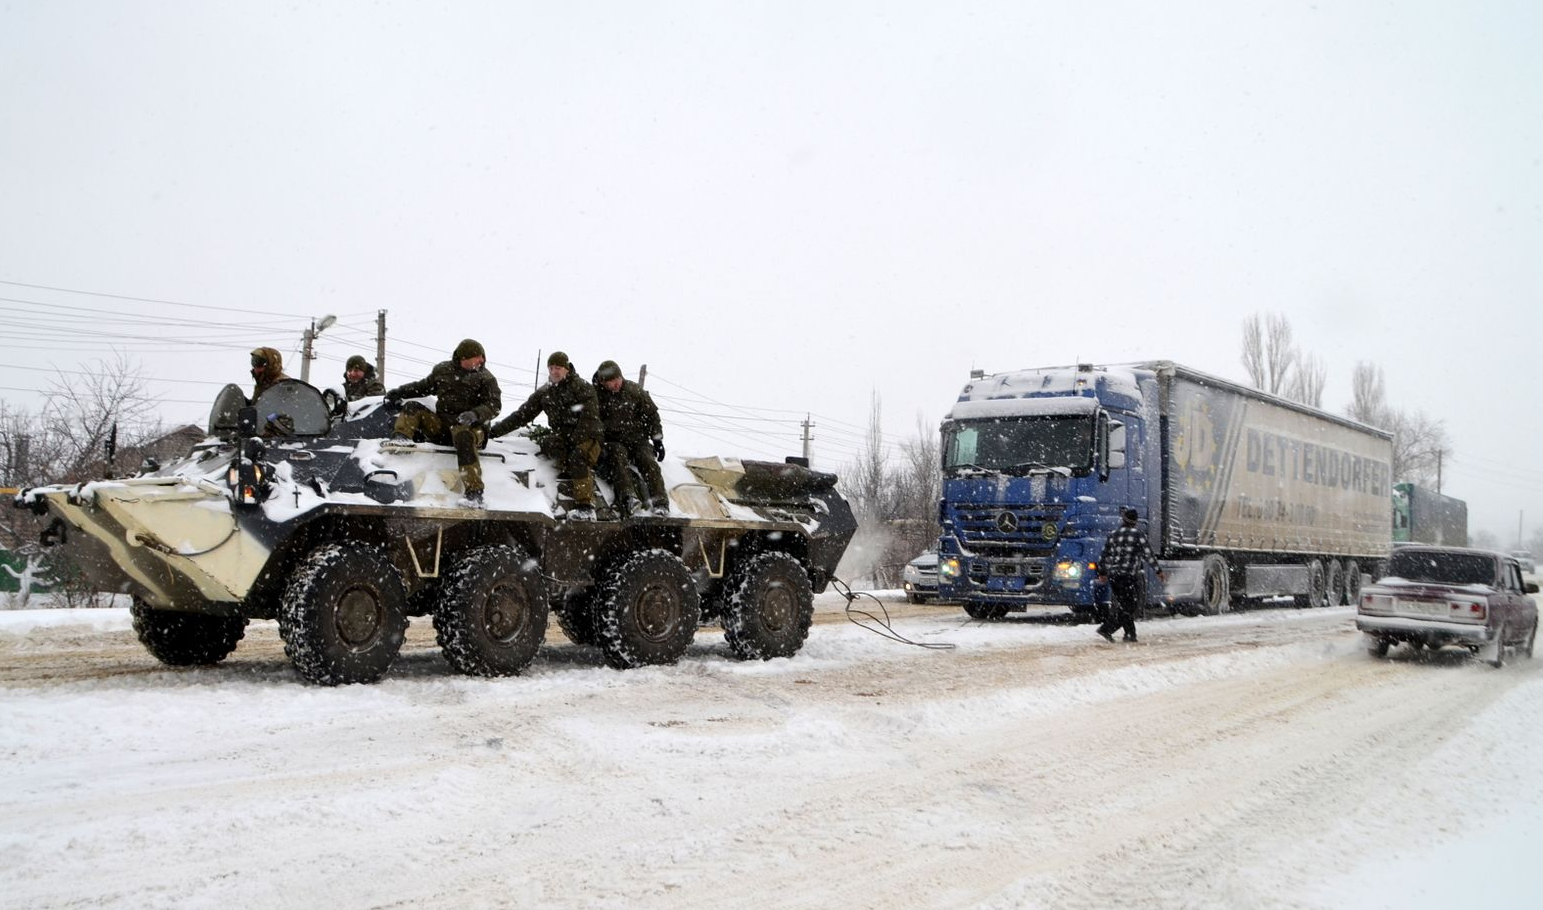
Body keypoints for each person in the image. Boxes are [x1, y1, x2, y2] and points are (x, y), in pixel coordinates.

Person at [383, 339, 501, 507]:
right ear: (464, 358)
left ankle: (474, 493)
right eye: (477, 357)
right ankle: (401, 440)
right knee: (412, 407)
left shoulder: (486, 379)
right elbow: (422, 387)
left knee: (464, 436)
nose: (482, 360)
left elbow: (494, 406)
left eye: (483, 357)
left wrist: (475, 414)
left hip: (471, 430)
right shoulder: (443, 371)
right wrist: (399, 392)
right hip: (443, 427)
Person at [489, 351, 603, 520]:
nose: (554, 372)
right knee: (548, 444)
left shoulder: (582, 388)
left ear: (567, 369)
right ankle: (568, 471)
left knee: (578, 457)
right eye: (551, 368)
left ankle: (586, 506)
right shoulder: (546, 393)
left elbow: (589, 418)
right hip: (563, 437)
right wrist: (493, 431)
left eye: (558, 368)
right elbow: (522, 415)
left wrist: (574, 441)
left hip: (588, 436)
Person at [592, 359, 669, 517]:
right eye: (611, 381)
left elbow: (652, 415)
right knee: (618, 458)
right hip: (613, 442)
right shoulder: (596, 397)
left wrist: (657, 440)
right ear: (603, 382)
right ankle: (629, 498)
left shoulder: (634, 391)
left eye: (618, 379)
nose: (616, 384)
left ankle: (661, 503)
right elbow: (592, 423)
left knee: (648, 462)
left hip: (638, 440)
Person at [1095, 507, 1165, 643]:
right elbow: (1148, 554)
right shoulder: (1138, 535)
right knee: (1130, 606)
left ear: (1123, 519)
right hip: (1128, 576)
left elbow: (1104, 555)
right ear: (1135, 521)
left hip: (1114, 576)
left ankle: (1130, 635)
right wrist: (1158, 571)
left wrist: (1102, 572)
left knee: (1125, 605)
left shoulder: (1113, 534)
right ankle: (1107, 629)